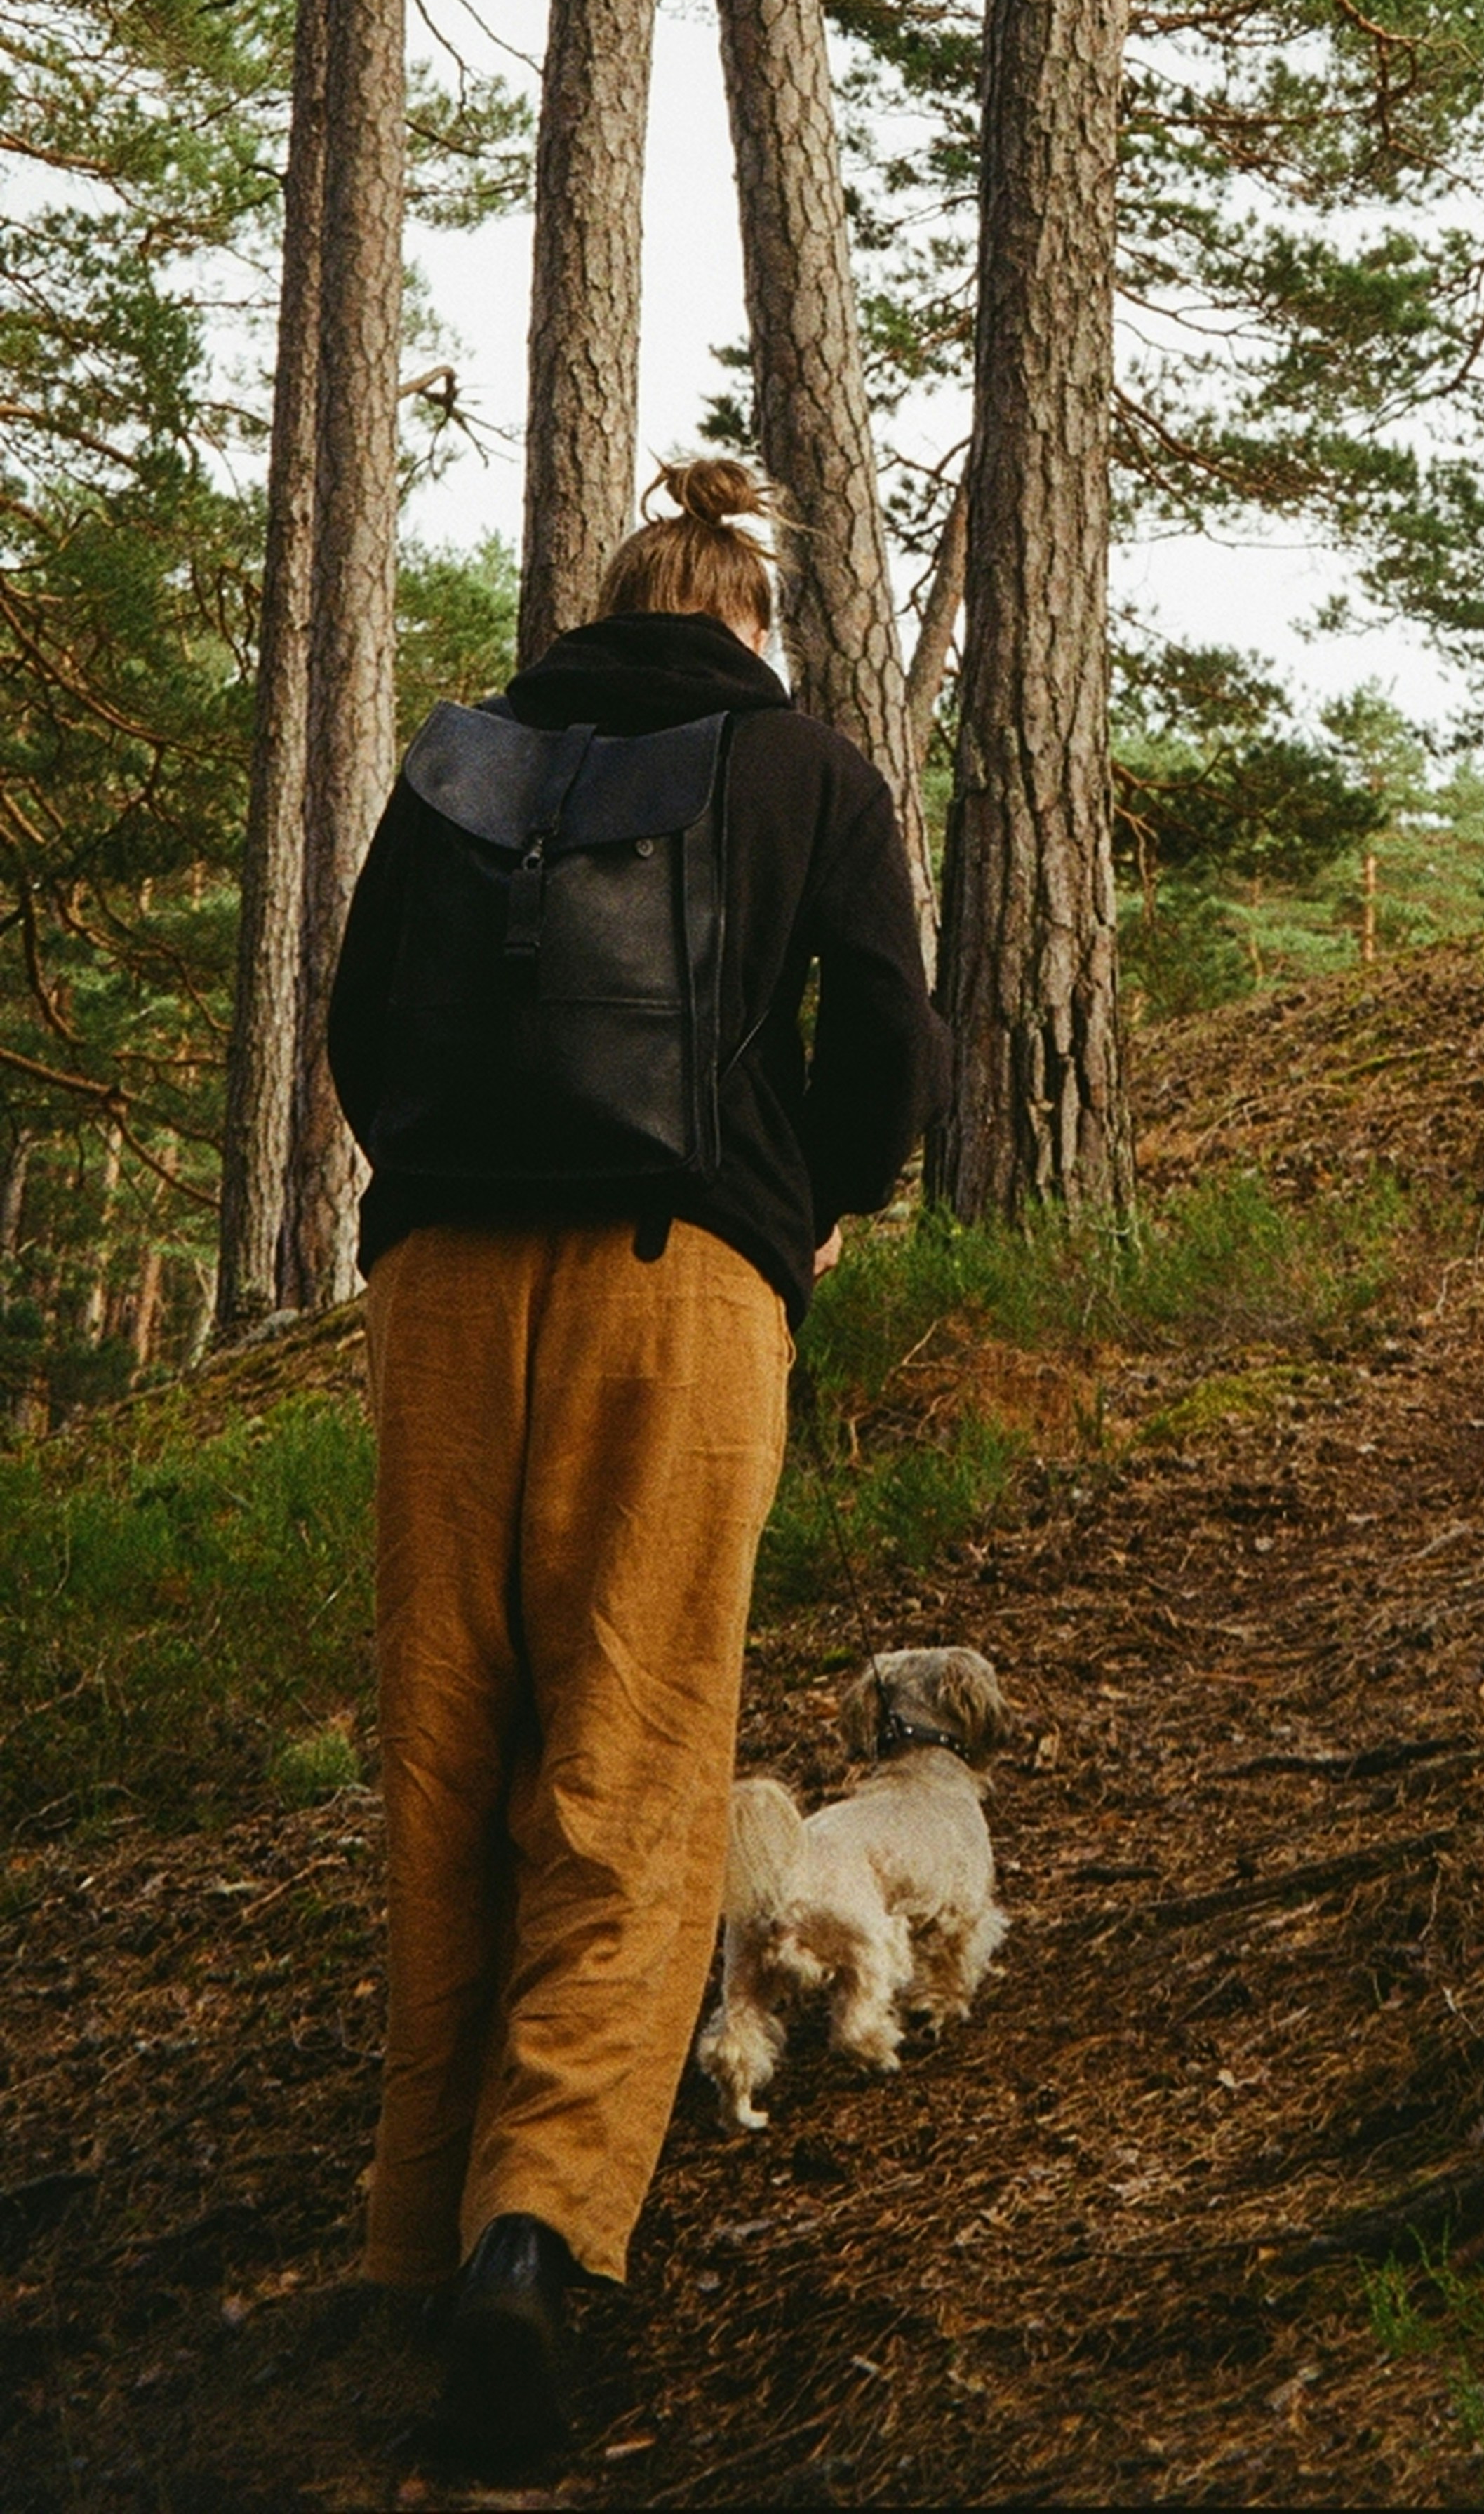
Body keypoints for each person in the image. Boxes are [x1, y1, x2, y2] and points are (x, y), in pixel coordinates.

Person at [327, 460, 949, 2468]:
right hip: (675, 1286)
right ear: (754, 621)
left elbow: (356, 1029)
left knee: (448, 1737)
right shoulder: (809, 771)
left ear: (610, 604)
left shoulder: (462, 762)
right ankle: (535, 2230)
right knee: (637, 1744)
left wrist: (445, 1188)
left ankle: (412, 2227)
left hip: (437, 1282)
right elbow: (892, 1048)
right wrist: (820, 1196)